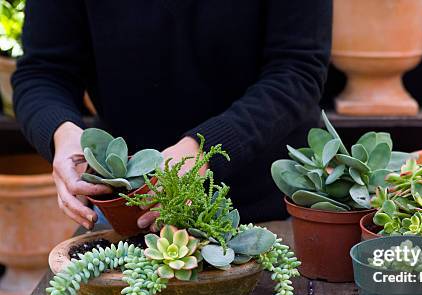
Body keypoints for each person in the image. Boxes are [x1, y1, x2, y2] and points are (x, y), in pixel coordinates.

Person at [13, 0, 332, 230]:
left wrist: (203, 149)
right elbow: (43, 73)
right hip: (128, 212)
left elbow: (297, 72)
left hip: (276, 214)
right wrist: (63, 133)